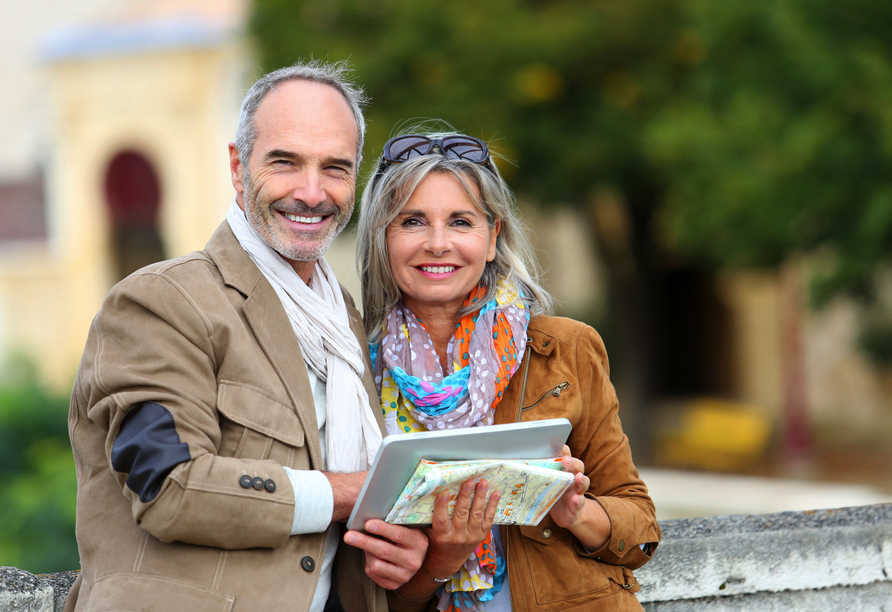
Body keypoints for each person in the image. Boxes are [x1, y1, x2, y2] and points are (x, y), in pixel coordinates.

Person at [65, 61, 428, 612]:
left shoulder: (343, 321)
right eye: (285, 162)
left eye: (335, 167)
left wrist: (396, 554)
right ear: (238, 167)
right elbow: (170, 488)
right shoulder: (159, 302)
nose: (312, 192)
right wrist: (357, 491)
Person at [355, 130, 662, 612]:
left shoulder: (566, 350)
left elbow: (640, 528)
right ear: (382, 237)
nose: (438, 244)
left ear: (493, 237)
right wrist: (445, 556)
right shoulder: (353, 372)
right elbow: (369, 594)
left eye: (461, 221)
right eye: (412, 221)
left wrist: (576, 510)